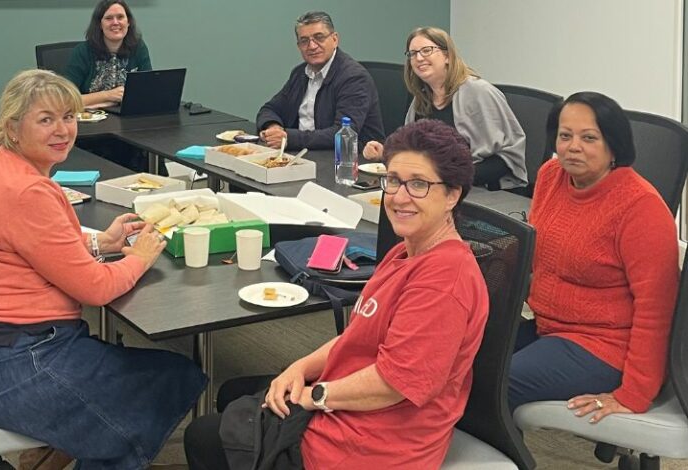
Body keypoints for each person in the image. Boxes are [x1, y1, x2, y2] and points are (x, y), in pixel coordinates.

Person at [0, 69, 206, 470]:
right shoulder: (27, 190)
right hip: (6, 364)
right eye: (46, 119)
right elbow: (96, 290)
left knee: (149, 387)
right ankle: (79, 446)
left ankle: (52, 452)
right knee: (170, 381)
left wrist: (102, 243)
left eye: (69, 116)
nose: (63, 129)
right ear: (13, 128)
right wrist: (139, 257)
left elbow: (27, 245)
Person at [185, 119, 488, 469]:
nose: (399, 197)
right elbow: (359, 333)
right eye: (393, 181)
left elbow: (393, 384)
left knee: (204, 436)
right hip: (355, 410)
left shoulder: (445, 279)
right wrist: (298, 368)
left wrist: (315, 396)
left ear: (452, 194)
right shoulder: (406, 251)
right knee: (235, 394)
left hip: (377, 446)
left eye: (418, 185)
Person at [508, 92, 679, 421]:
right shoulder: (550, 176)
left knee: (490, 383)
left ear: (613, 145)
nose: (573, 147)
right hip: (548, 328)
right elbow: (539, 254)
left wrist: (634, 393)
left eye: (589, 138)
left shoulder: (640, 208)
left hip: (604, 346)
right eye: (565, 135)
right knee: (460, 353)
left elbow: (656, 311)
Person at [363, 27, 527, 190]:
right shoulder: (422, 98)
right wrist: (385, 152)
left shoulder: (479, 92)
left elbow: (506, 158)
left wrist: (448, 178)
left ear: (447, 56)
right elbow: (412, 147)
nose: (419, 58)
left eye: (427, 50)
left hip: (477, 189)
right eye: (413, 53)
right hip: (431, 186)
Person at [256, 11, 384, 151]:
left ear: (335, 39)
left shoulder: (354, 78)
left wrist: (288, 138)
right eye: (304, 41)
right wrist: (274, 127)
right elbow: (270, 109)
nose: (312, 46)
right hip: (303, 154)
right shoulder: (300, 74)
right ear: (299, 46)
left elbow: (342, 134)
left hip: (345, 161)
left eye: (319, 37)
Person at [64, 0, 151, 108]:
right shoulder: (82, 52)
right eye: (109, 18)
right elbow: (66, 99)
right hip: (90, 120)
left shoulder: (138, 48)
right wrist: (108, 95)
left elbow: (149, 90)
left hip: (129, 117)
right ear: (100, 24)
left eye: (120, 17)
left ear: (128, 22)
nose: (115, 22)